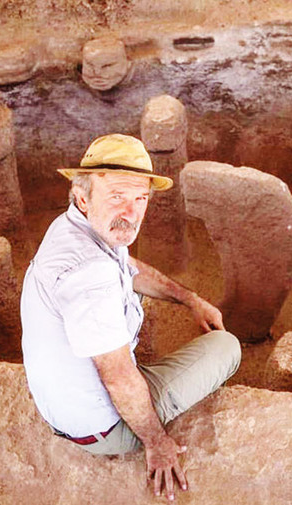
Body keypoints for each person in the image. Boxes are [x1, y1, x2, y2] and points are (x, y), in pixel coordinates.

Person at [20, 134, 241, 501]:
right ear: (84, 197)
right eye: (118, 197)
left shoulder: (72, 227)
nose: (131, 211)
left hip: (62, 403)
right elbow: (120, 377)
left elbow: (128, 265)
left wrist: (190, 299)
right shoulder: (91, 276)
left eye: (140, 198)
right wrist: (157, 443)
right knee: (225, 347)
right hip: (101, 428)